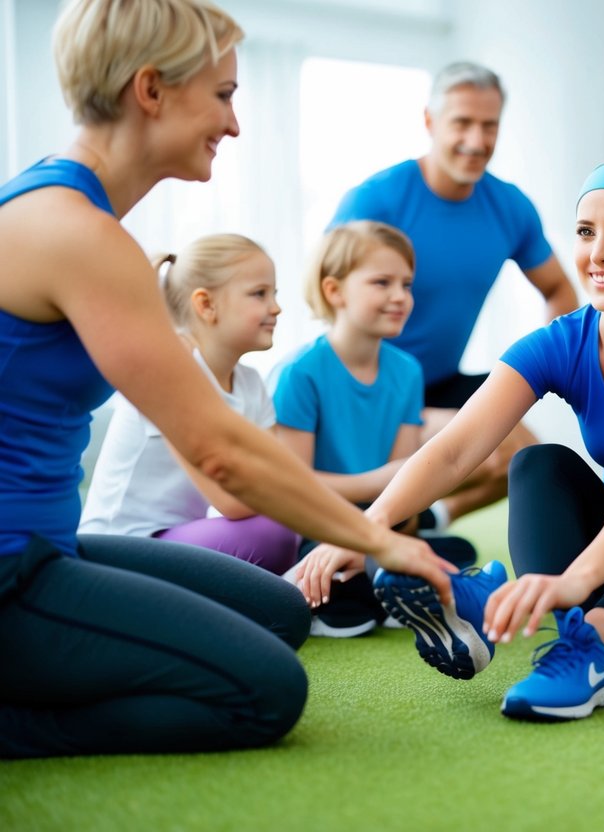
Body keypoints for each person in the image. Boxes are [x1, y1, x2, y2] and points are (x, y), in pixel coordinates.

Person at [0, 0, 456, 759]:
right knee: (265, 692)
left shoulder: (64, 213)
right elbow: (220, 455)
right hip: (12, 568)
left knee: (274, 613)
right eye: (222, 96)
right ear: (151, 90)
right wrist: (384, 540)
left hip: (52, 544)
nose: (235, 124)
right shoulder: (76, 233)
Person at [297, 154, 604, 721]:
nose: (599, 252)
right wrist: (365, 530)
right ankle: (537, 624)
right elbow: (456, 447)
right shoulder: (564, 341)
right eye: (588, 232)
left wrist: (578, 579)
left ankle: (596, 644)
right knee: (537, 462)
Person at [329, 61, 579, 529]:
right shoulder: (378, 200)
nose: (476, 140)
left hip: (441, 379)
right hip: (370, 385)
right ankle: (392, 526)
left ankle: (429, 523)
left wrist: (553, 367)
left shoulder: (509, 208)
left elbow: (559, 289)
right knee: (475, 444)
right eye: (462, 123)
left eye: (489, 125)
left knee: (527, 455)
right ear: (430, 122)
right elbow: (328, 297)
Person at [273, 220, 475, 636]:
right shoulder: (300, 373)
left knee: (459, 552)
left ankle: (371, 580)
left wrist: (385, 510)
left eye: (406, 284)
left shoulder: (406, 372)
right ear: (335, 291)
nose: (400, 297)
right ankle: (361, 585)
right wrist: (377, 482)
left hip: (377, 522)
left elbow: (403, 492)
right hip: (317, 524)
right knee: (350, 601)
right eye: (382, 283)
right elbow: (293, 488)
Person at [80, 233, 298, 574]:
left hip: (173, 539)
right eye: (260, 294)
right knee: (276, 532)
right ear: (206, 305)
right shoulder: (170, 371)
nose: (276, 307)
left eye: (275, 294)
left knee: (286, 532)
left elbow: (277, 476)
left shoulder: (252, 384)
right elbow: (232, 501)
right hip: (120, 550)